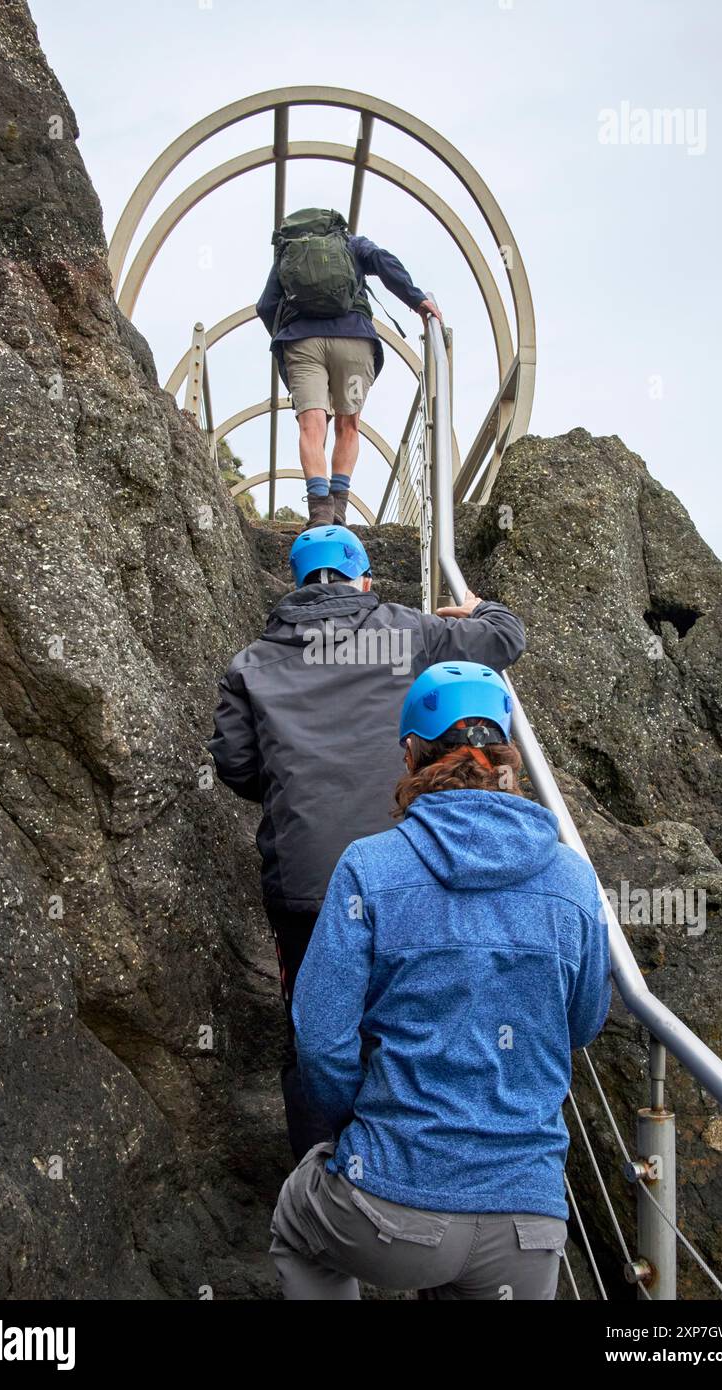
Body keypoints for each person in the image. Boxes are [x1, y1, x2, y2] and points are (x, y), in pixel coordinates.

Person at [269, 661, 612, 1301]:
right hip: (529, 1223)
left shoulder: (369, 867)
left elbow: (319, 1038)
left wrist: (354, 1125)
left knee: (297, 1221)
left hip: (388, 1203)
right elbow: (586, 1019)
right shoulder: (572, 878)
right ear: (507, 756)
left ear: (411, 754)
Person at [209, 528, 526, 1161]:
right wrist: (480, 611)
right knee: (411, 1018)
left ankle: (318, 1180)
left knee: (314, 1030)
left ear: (297, 583)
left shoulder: (251, 663)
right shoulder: (407, 631)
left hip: (305, 881)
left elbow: (238, 769)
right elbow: (505, 640)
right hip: (410, 865)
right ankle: (406, 1173)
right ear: (365, 581)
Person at [256, 207, 442, 527]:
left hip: (302, 342)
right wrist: (417, 301)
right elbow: (384, 262)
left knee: (311, 427)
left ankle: (319, 514)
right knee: (348, 425)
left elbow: (265, 305)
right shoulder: (351, 244)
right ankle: (339, 509)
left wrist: (287, 333)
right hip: (354, 341)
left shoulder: (288, 252)